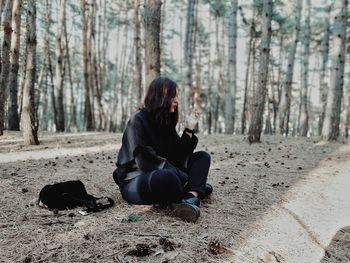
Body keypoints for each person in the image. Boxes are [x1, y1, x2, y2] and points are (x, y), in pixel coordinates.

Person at [113, 76, 212, 222]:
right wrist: (184, 177)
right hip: (135, 181)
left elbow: (178, 155)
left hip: (164, 174)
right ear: (159, 97)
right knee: (167, 177)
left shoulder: (164, 122)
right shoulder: (138, 121)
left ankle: (190, 197)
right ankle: (191, 190)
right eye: (172, 96)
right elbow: (145, 161)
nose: (176, 101)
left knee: (202, 157)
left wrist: (189, 128)